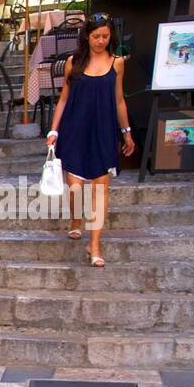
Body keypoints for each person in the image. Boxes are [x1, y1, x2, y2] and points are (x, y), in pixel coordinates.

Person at [46, 13, 134, 268]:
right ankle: (76, 218)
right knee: (74, 186)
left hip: (104, 131)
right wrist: (54, 131)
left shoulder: (117, 63)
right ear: (87, 36)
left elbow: (119, 100)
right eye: (96, 36)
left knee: (100, 188)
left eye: (105, 36)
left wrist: (126, 131)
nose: (101, 41)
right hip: (75, 129)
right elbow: (63, 98)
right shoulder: (75, 62)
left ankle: (94, 245)